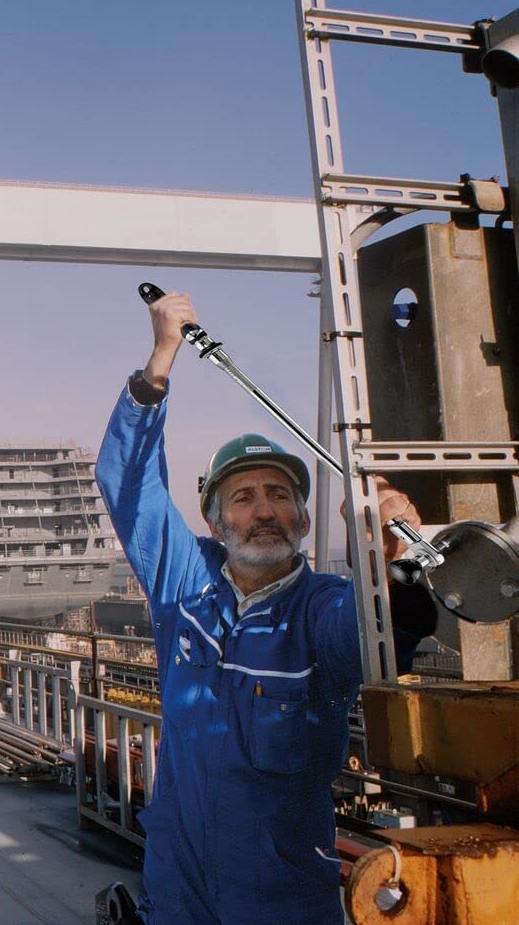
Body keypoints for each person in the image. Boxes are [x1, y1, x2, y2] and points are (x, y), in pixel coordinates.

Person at [95, 290, 437, 925]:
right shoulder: (184, 583)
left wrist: (392, 562)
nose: (264, 511)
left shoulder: (320, 611)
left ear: (304, 519)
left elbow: (375, 633)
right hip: (177, 890)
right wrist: (161, 357)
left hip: (281, 898)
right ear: (215, 520)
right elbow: (129, 485)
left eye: (280, 495)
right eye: (243, 496)